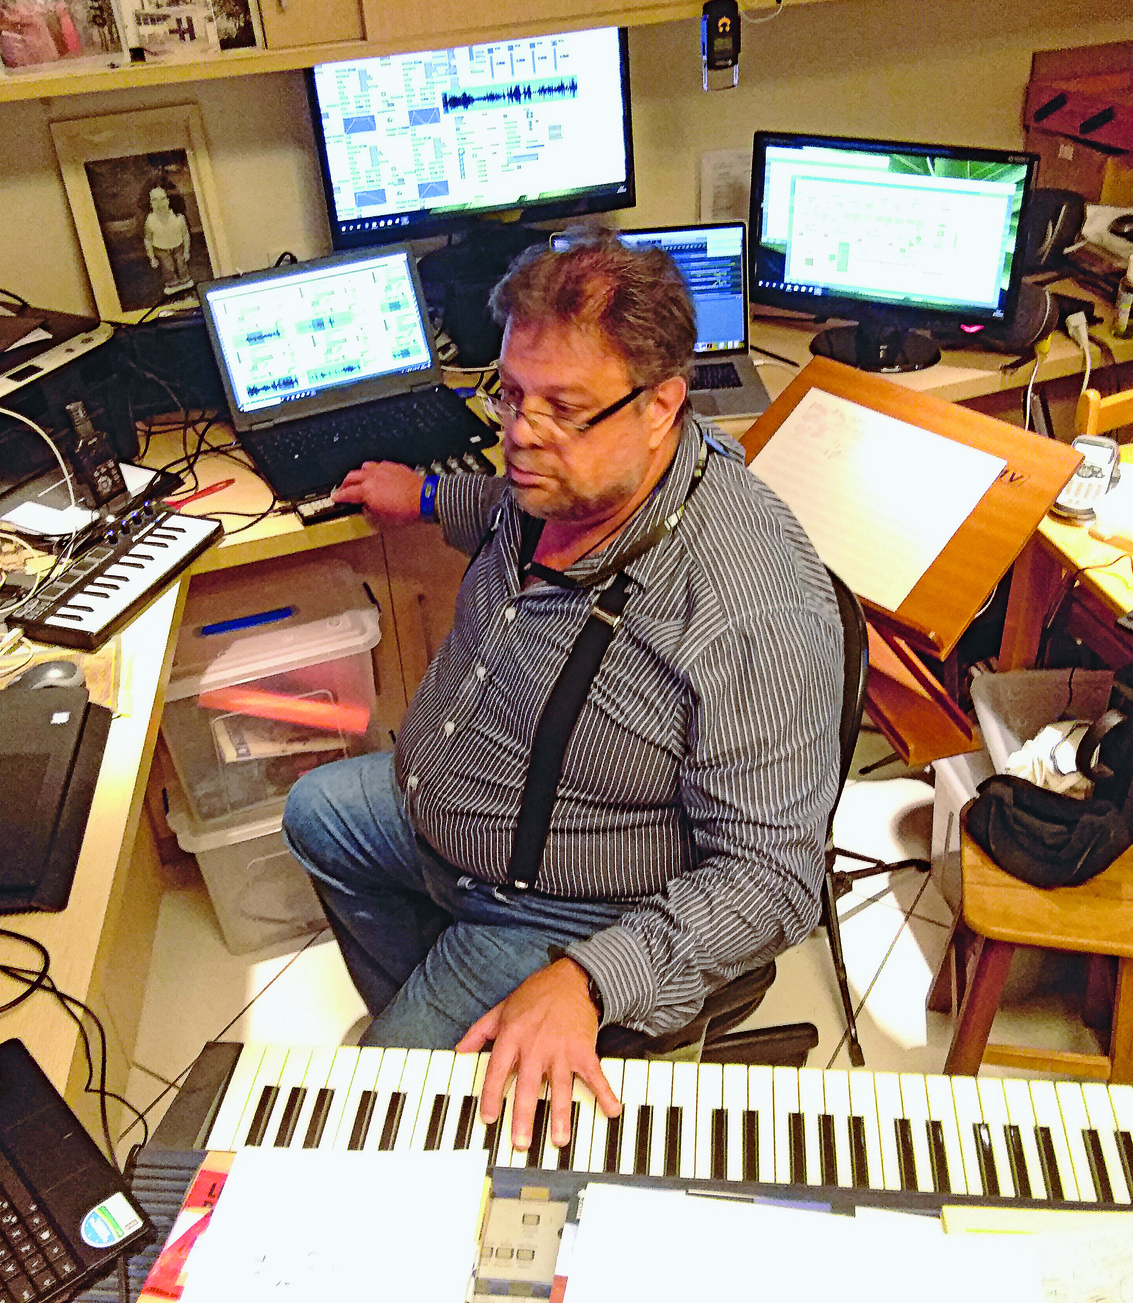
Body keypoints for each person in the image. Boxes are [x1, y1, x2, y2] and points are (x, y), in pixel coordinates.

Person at [282, 229, 842, 1151]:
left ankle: (456, 1061)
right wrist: (423, 497)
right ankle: (443, 1024)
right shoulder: (567, 476)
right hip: (456, 815)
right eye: (509, 396)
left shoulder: (747, 603)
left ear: (662, 406)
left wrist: (587, 979)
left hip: (569, 901)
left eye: (561, 409)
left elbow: (776, 880)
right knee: (316, 815)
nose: (519, 438)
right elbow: (508, 508)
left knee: (380, 1130)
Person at [143, 185, 193, 295]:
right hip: (161, 249)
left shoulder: (178, 218)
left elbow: (185, 235)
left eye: (162, 199)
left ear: (168, 200)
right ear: (150, 203)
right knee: (168, 267)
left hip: (178, 245)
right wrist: (151, 257)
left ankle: (185, 281)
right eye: (155, 200)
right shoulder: (150, 221)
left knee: (181, 263)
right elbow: (148, 239)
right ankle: (172, 284)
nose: (159, 203)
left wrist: (186, 250)